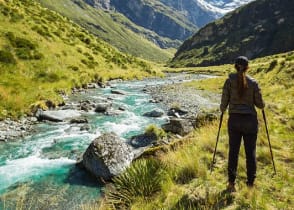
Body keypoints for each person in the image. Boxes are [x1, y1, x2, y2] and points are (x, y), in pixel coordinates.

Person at [220, 56, 265, 191]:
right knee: (250, 152)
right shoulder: (253, 83)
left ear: (235, 66)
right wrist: (262, 103)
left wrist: (223, 110)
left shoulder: (228, 81)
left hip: (234, 121)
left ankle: (231, 183)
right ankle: (250, 184)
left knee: (233, 152)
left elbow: (223, 103)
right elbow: (260, 104)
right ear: (247, 67)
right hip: (250, 121)